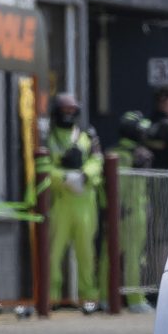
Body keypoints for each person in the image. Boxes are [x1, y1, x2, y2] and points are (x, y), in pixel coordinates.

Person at [39, 92, 102, 313]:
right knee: (53, 254)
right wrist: (63, 178)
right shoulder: (48, 137)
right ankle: (51, 299)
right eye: (64, 110)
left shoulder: (87, 135)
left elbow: (98, 162)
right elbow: (43, 167)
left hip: (85, 202)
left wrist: (84, 175)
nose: (68, 114)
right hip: (60, 202)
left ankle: (89, 300)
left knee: (86, 254)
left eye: (72, 111)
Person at [114, 110, 154, 312]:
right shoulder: (126, 155)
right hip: (131, 211)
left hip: (120, 211)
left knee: (111, 256)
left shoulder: (119, 152)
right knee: (134, 257)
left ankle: (107, 297)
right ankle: (135, 300)